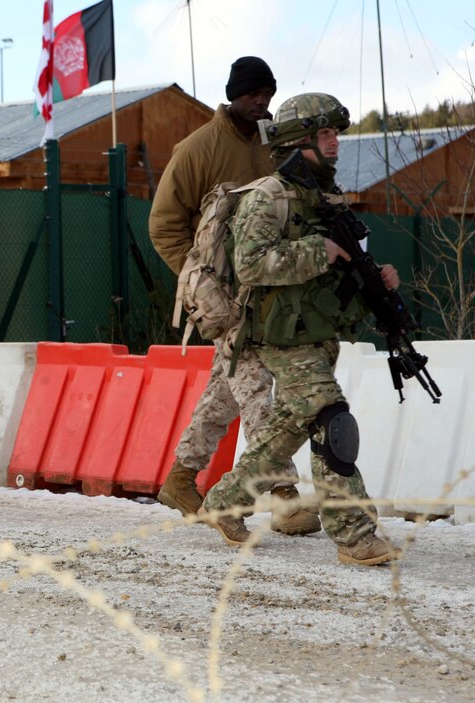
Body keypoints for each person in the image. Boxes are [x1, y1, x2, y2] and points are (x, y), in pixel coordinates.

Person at [199, 93, 402, 566]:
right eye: (325, 135)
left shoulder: (325, 196)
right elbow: (250, 266)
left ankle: (224, 502)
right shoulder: (266, 197)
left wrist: (377, 277)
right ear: (300, 141)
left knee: (286, 430)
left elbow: (340, 265)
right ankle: (354, 534)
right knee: (333, 421)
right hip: (277, 337)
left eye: (335, 134)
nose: (335, 144)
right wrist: (319, 251)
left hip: (315, 332)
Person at [149, 56, 319, 535]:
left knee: (226, 389)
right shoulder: (198, 148)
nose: (261, 102)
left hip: (268, 291)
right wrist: (200, 278)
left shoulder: (275, 144)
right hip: (224, 297)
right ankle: (285, 497)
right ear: (233, 94)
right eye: (251, 94)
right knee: (255, 390)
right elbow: (163, 223)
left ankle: (181, 479)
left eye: (267, 93)